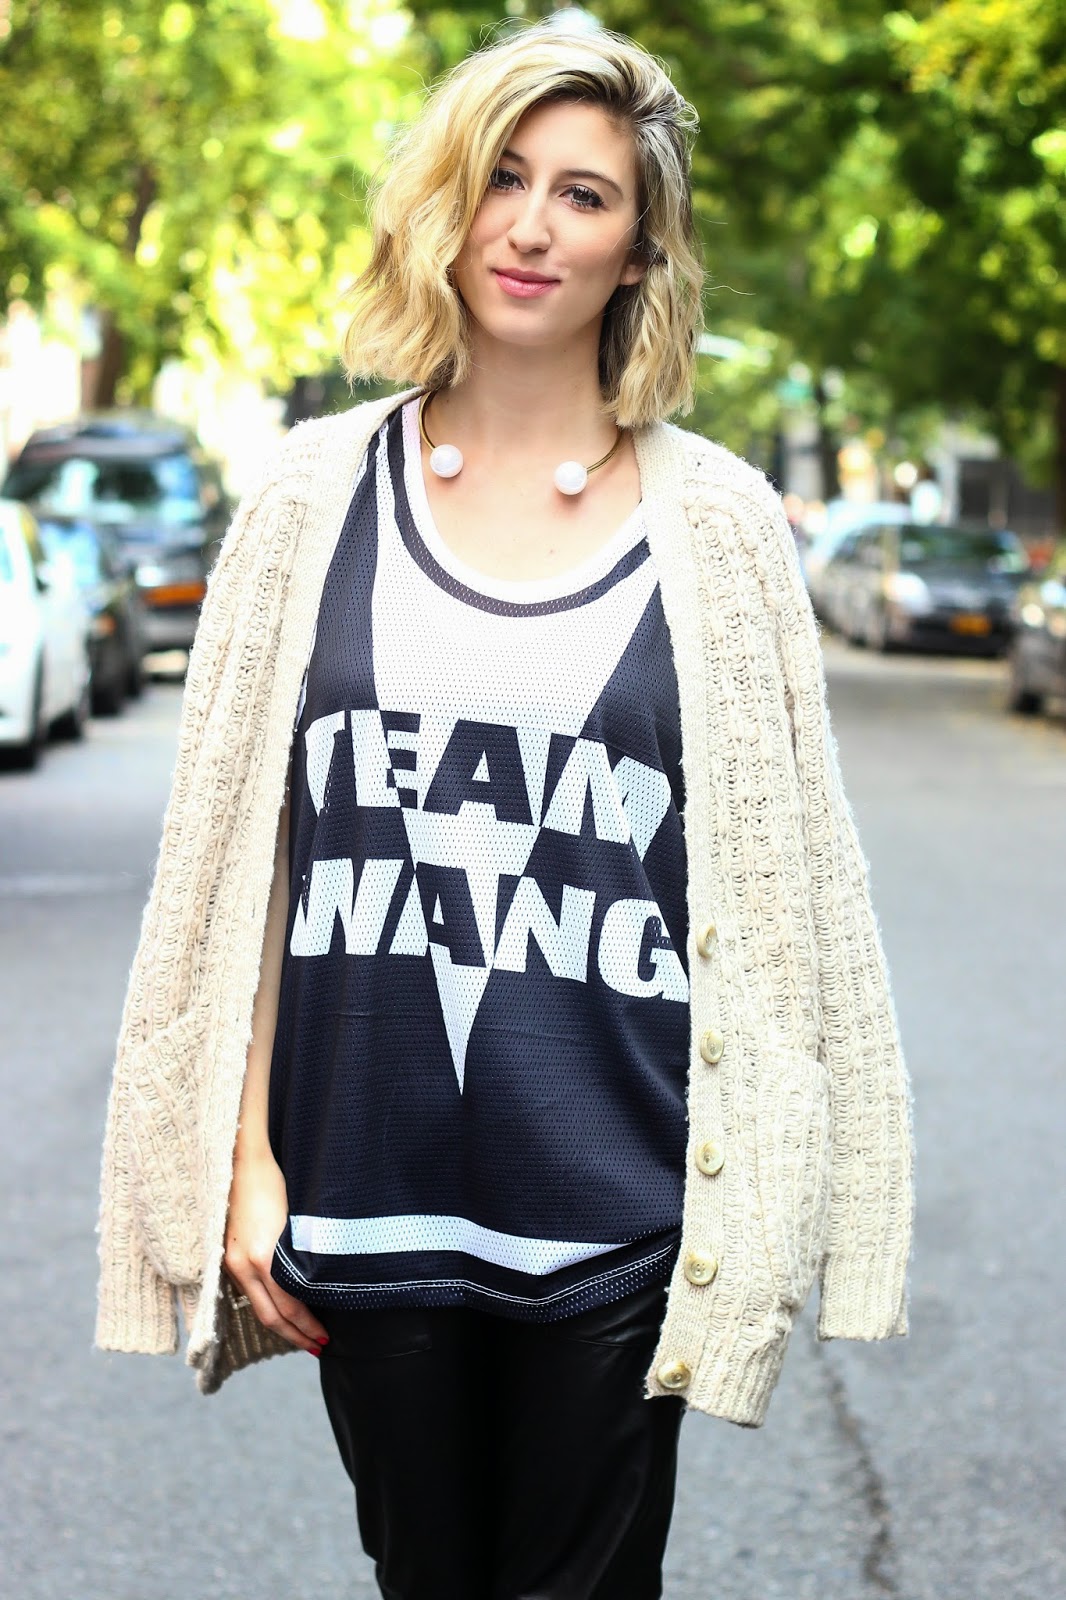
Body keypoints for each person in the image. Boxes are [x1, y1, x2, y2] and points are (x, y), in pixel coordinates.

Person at [96, 22, 914, 1600]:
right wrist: (240, 1160)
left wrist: (784, 1194)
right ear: (448, 205)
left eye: (584, 195)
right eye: (503, 180)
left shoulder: (720, 527)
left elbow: (795, 894)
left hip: (618, 1211)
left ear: (640, 249)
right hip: (364, 1198)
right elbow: (241, 876)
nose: (532, 226)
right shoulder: (309, 498)